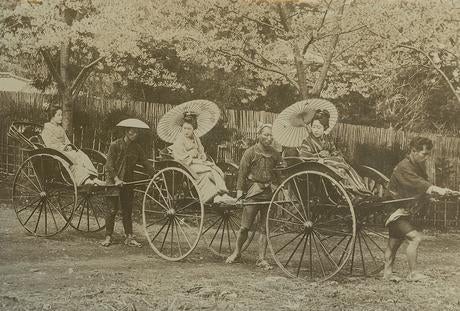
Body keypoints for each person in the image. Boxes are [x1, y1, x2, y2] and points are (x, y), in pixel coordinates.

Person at [383, 136, 453, 282]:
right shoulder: (404, 167)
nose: (427, 157)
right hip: (394, 209)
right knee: (415, 238)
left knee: (395, 241)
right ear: (413, 151)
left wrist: (432, 195)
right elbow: (417, 183)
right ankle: (413, 274)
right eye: (424, 154)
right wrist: (436, 189)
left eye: (428, 154)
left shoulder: (417, 166)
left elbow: (419, 187)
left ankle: (387, 273)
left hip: (404, 208)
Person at [226, 124, 282, 270]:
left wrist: (282, 188)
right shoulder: (250, 152)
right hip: (253, 192)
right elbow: (242, 174)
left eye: (271, 135)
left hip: (269, 193)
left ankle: (261, 259)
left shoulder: (276, 154)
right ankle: (237, 252)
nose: (269, 138)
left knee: (264, 228)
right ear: (259, 135)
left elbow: (279, 175)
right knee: (245, 227)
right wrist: (239, 192)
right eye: (265, 135)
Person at [101, 119, 154, 247]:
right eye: (132, 131)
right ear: (126, 132)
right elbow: (109, 165)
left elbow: (145, 163)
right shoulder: (115, 145)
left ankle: (129, 237)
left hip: (128, 182)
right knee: (112, 210)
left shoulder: (137, 148)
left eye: (137, 132)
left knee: (127, 210)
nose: (135, 134)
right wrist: (116, 179)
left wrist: (155, 174)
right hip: (113, 181)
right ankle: (108, 236)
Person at [291, 109, 369, 196]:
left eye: (319, 127)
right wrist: (318, 157)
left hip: (330, 162)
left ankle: (359, 188)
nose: (316, 130)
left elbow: (334, 151)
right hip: (316, 166)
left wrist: (329, 153)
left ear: (325, 128)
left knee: (344, 166)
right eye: (314, 127)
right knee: (338, 169)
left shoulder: (327, 139)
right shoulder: (307, 141)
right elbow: (303, 155)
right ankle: (344, 193)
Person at [170, 112, 235, 204]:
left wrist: (201, 155)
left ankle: (223, 194)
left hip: (197, 163)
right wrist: (191, 155)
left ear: (193, 129)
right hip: (186, 164)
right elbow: (179, 156)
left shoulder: (196, 139)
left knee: (214, 170)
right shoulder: (179, 140)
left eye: (189, 129)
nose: (186, 131)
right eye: (184, 128)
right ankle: (215, 196)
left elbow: (202, 152)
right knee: (207, 172)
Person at [41, 106, 104, 186]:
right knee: (73, 158)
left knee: (81, 154)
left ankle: (93, 178)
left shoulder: (60, 128)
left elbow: (67, 141)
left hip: (64, 151)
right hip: (56, 154)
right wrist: (64, 148)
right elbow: (50, 145)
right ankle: (85, 180)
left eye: (62, 115)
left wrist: (69, 146)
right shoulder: (47, 129)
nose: (61, 117)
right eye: (59, 115)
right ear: (52, 117)